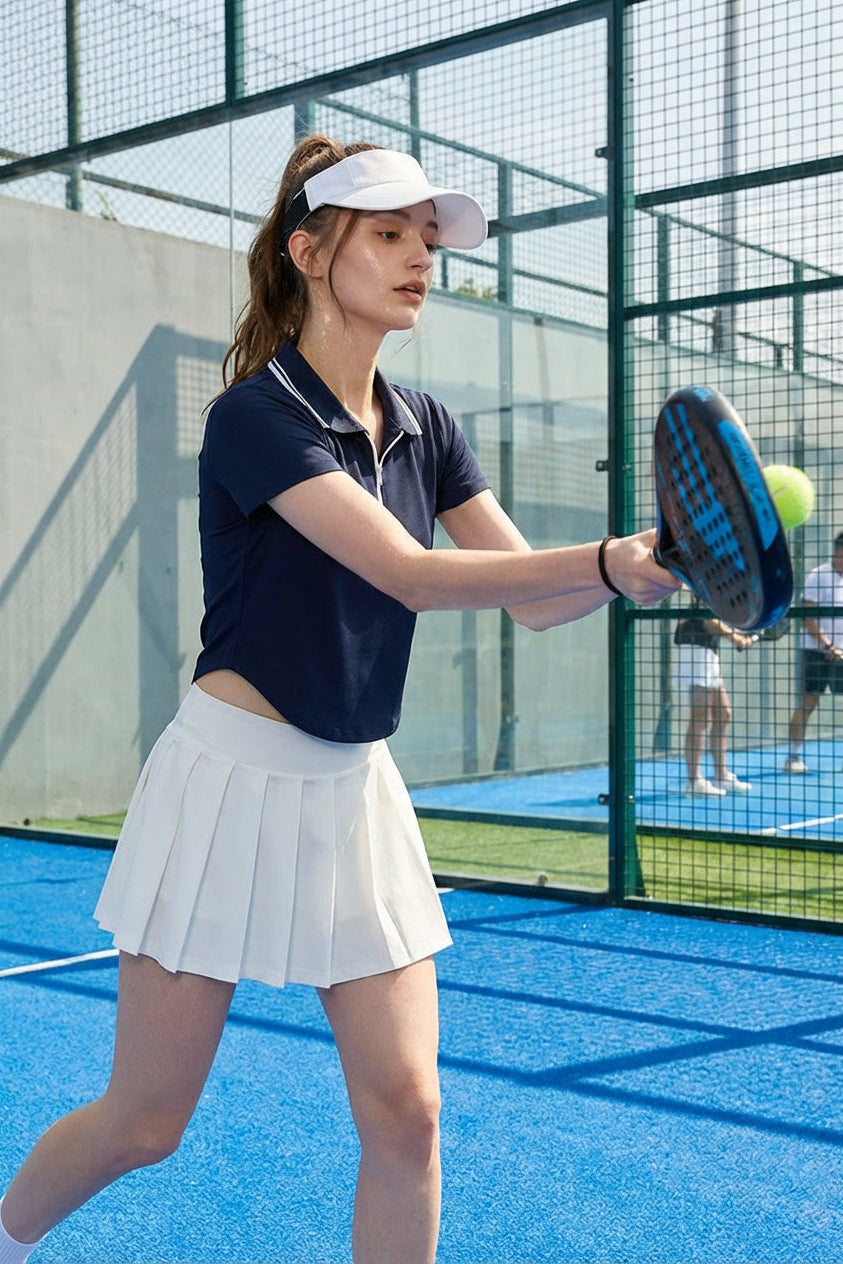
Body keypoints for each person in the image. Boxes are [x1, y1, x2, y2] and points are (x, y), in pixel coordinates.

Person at [0, 136, 678, 1264]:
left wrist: (653, 568)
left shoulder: (430, 426)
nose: (421, 256)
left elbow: (537, 602)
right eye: (388, 232)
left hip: (356, 791)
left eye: (428, 238)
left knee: (410, 1113)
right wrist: (607, 556)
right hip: (225, 783)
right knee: (147, 1123)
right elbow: (409, 573)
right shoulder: (254, 416)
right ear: (310, 251)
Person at [673, 609, 754, 796]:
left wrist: (737, 634)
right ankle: (694, 781)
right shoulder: (704, 582)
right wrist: (737, 638)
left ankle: (722, 776)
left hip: (707, 650)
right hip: (694, 650)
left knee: (724, 713)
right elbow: (709, 622)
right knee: (700, 719)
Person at [782, 532, 843, 774]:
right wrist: (828, 646)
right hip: (815, 653)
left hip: (840, 655)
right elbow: (808, 618)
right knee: (808, 702)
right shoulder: (819, 575)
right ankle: (793, 757)